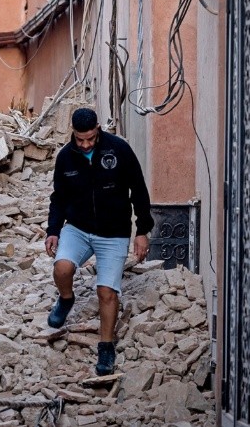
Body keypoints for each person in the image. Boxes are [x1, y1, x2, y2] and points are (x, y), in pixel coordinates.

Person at [44, 107, 153, 376]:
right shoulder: (65, 158)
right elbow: (58, 198)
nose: (85, 144)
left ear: (98, 130)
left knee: (106, 292)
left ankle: (106, 347)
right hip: (78, 228)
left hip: (114, 232)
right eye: (80, 139)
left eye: (90, 138)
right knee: (62, 268)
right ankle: (66, 299)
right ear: (73, 134)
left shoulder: (119, 150)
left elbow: (138, 189)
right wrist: (53, 230)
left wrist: (142, 230)